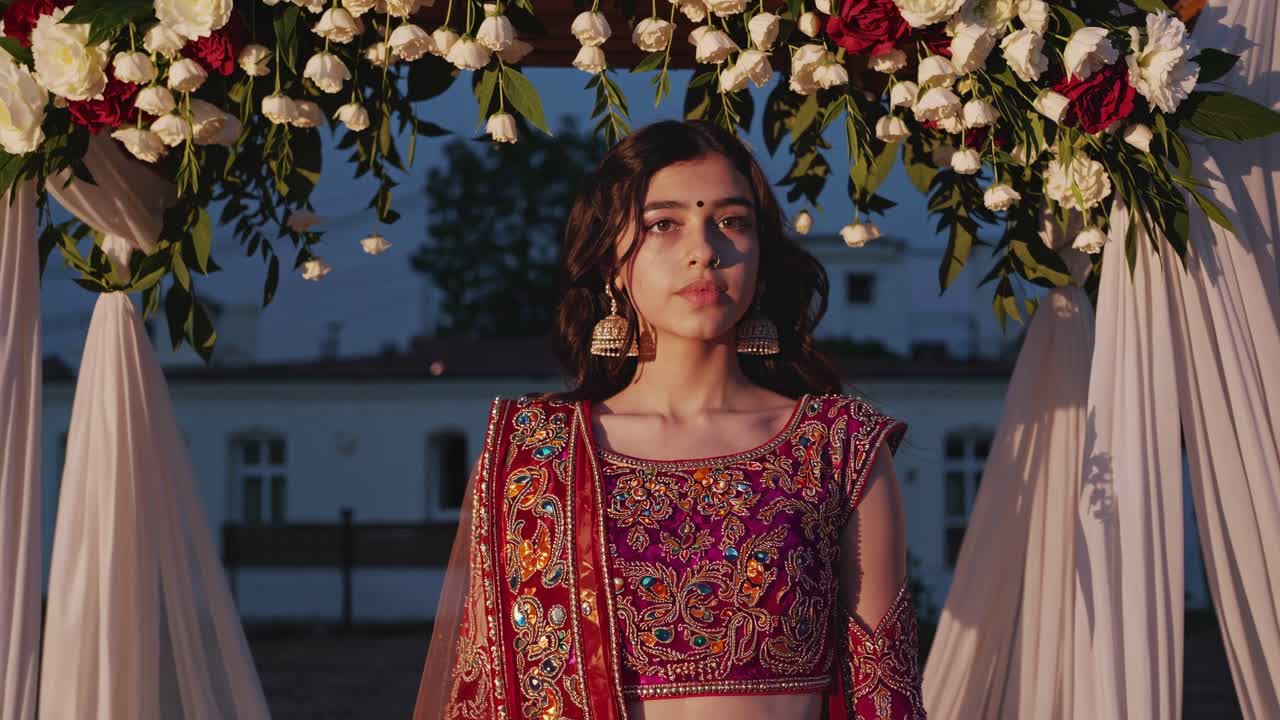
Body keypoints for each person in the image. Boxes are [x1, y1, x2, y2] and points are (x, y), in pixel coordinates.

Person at [412, 120, 925, 720]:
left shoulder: (838, 446)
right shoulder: (537, 453)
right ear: (612, 262)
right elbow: (491, 692)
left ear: (761, 256)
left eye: (732, 222)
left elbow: (884, 697)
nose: (704, 250)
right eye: (664, 224)